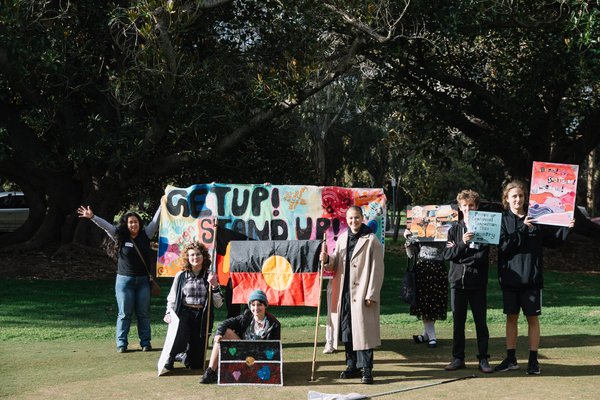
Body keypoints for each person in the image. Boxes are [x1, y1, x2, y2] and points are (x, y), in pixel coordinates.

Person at [495, 180, 574, 375]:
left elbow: (553, 242)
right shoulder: (502, 220)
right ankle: (511, 359)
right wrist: (523, 228)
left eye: (521, 196)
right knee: (511, 319)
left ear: (525, 198)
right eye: (514, 196)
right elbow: (504, 246)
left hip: (532, 279)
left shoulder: (536, 218)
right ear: (507, 198)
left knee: (532, 320)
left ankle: (532, 361)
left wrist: (566, 227)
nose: (518, 199)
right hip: (510, 279)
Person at [77, 205, 160, 352]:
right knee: (124, 313)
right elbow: (106, 226)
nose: (134, 224)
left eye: (136, 222)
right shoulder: (119, 235)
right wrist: (92, 217)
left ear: (140, 224)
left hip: (143, 282)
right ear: (126, 224)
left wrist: (163, 202)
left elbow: (155, 220)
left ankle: (146, 343)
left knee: (143, 313)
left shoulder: (146, 234)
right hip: (124, 282)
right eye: (130, 222)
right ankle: (121, 344)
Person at [320, 205, 385, 385]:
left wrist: (371, 293)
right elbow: (334, 263)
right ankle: (352, 366)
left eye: (356, 218)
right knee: (347, 330)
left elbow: (377, 270)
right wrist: (326, 259)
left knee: (363, 333)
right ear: (346, 220)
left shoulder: (372, 240)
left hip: (363, 292)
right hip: (344, 292)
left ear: (362, 217)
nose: (353, 221)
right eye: (350, 218)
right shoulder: (342, 238)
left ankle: (366, 369)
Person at [442, 190, 492, 373]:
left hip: (478, 283)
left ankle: (484, 359)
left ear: (476, 207)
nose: (468, 209)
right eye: (465, 206)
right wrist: (462, 244)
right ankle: (457, 358)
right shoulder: (454, 230)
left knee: (481, 322)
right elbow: (447, 254)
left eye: (471, 206)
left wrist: (459, 254)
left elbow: (481, 257)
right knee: (458, 322)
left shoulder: (485, 229)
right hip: (457, 282)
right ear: (460, 208)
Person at [163, 242, 223, 370]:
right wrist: (168, 312)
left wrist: (215, 286)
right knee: (178, 336)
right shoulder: (181, 276)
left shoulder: (210, 275)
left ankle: (185, 356)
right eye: (192, 255)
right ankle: (172, 355)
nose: (195, 258)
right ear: (187, 258)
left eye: (198, 254)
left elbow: (219, 304)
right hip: (183, 313)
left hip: (202, 316)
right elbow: (172, 297)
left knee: (196, 365)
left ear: (204, 256)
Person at [200, 289, 281, 384]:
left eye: (259, 304)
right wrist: (219, 334)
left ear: (265, 305)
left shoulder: (274, 324)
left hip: (261, 356)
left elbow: (274, 348)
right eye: (253, 304)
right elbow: (224, 323)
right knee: (224, 332)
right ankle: (211, 372)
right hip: (243, 350)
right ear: (250, 306)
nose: (256, 308)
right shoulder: (246, 316)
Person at [403, 226, 448, 349]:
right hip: (423, 269)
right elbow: (411, 254)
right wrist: (408, 238)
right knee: (425, 304)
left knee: (434, 303)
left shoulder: (445, 229)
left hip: (438, 269)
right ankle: (431, 336)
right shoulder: (418, 229)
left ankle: (427, 334)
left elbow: (448, 251)